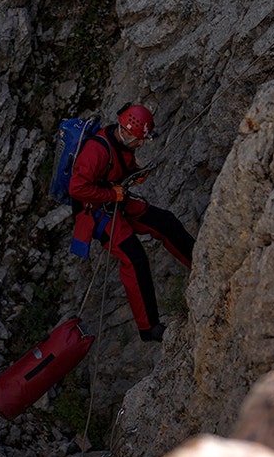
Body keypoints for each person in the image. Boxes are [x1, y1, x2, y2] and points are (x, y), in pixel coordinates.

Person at [68, 103, 196, 342]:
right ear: (125, 132)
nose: (141, 144)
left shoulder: (120, 142)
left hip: (116, 200)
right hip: (95, 212)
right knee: (134, 257)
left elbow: (118, 167)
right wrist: (110, 195)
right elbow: (77, 188)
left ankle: (199, 264)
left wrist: (134, 173)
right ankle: (149, 328)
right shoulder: (96, 150)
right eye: (139, 139)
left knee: (164, 222)